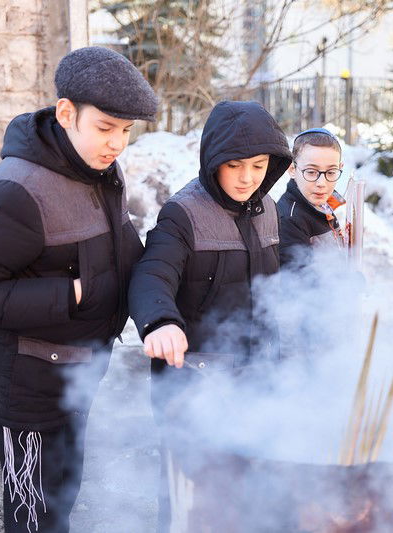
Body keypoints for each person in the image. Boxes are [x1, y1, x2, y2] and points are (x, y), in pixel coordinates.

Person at [0, 46, 156, 532]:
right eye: (105, 128)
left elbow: (116, 246)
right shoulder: (20, 188)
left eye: (126, 131)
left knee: (63, 492)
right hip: (26, 386)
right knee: (32, 510)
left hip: (76, 374)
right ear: (66, 114)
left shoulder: (100, 172)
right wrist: (72, 295)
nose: (116, 143)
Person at [127, 99, 291, 531]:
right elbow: (152, 275)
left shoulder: (267, 209)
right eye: (235, 164)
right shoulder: (184, 214)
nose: (247, 177)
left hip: (258, 383)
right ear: (212, 160)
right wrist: (160, 321)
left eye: (258, 165)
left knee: (251, 498)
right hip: (195, 385)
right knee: (192, 505)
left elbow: (277, 288)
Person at [277, 127, 346, 266]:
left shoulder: (321, 203)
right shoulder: (289, 220)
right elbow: (300, 282)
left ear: (340, 167)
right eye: (311, 172)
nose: (321, 183)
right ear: (292, 170)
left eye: (331, 172)